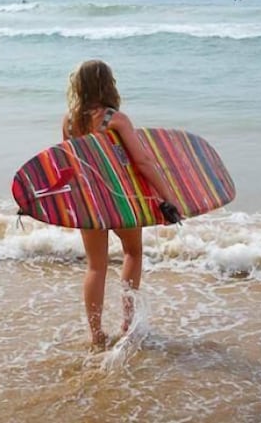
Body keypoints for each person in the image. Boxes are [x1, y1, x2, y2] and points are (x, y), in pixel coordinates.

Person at [62, 59, 181, 350]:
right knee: (133, 252)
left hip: (89, 199)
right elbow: (142, 161)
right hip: (119, 198)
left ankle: (96, 334)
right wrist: (167, 196)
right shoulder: (115, 120)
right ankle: (127, 323)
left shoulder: (69, 123)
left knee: (96, 266)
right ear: (109, 85)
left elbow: (70, 164)